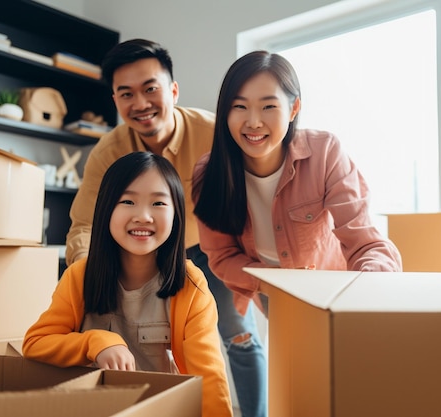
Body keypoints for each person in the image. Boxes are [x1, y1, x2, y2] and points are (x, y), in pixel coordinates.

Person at [65, 39, 267, 417]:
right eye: (126, 94)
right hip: (147, 255)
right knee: (147, 343)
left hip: (214, 250)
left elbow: (258, 194)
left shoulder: (215, 135)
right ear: (115, 100)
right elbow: (84, 224)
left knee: (239, 336)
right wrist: (86, 271)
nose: (140, 103)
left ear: (173, 90)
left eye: (150, 89)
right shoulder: (108, 152)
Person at [193, 50, 403, 321]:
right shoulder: (208, 171)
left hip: (333, 289)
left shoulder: (324, 152)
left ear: (293, 109)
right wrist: (275, 282)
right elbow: (222, 256)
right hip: (269, 291)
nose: (253, 122)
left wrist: (370, 287)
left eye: (268, 106)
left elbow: (364, 242)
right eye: (239, 106)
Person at [23, 152, 232, 417]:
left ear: (176, 214)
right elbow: (36, 343)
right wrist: (96, 342)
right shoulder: (80, 276)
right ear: (106, 209)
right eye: (128, 201)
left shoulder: (189, 284)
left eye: (158, 203)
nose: (143, 216)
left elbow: (209, 377)